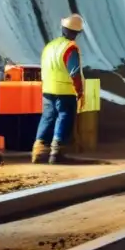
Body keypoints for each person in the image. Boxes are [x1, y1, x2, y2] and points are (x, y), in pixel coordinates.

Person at [33, 13, 86, 164]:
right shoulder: (70, 48)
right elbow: (74, 72)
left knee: (47, 117)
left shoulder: (50, 46)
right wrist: (80, 91)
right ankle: (56, 152)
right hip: (65, 91)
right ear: (77, 33)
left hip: (48, 89)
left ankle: (38, 150)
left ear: (63, 28)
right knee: (64, 117)